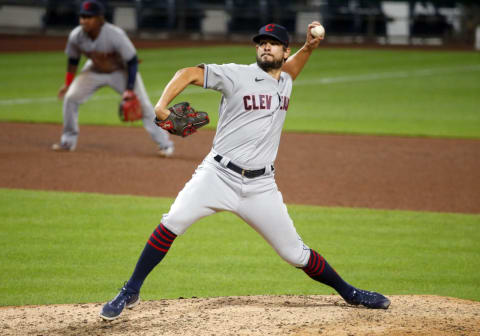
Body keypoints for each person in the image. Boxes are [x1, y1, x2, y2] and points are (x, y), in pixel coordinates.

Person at [100, 22, 390, 320]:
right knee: (172, 222)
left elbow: (292, 69)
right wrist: (161, 106)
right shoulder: (236, 74)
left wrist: (309, 47)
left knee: (294, 254)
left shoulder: (286, 80)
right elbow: (186, 73)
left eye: (273, 43)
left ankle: (350, 293)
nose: (266, 46)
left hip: (261, 186)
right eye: (261, 42)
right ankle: (130, 290)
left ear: (284, 50)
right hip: (217, 175)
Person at [52, 0, 174, 157]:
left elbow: (132, 61)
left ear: (100, 19)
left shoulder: (115, 35)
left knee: (144, 106)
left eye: (89, 17)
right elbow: (73, 61)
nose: (84, 20)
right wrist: (68, 83)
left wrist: (129, 89)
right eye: (82, 16)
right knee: (71, 97)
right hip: (93, 71)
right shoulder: (76, 36)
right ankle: (68, 141)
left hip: (121, 72)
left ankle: (165, 145)